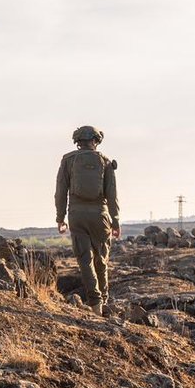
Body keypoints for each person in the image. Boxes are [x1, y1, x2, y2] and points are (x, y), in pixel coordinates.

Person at [55, 125, 120, 311]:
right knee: (101, 260)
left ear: (78, 142)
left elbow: (60, 192)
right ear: (96, 141)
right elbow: (112, 194)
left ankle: (95, 302)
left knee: (85, 260)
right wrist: (115, 221)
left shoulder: (68, 160)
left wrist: (60, 218)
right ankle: (104, 301)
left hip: (76, 215)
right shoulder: (105, 161)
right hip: (101, 215)